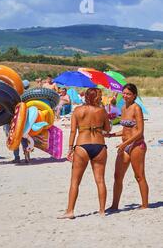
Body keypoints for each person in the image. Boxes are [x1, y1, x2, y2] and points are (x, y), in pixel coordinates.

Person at [58, 88, 111, 219]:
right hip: (99, 146)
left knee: (75, 181)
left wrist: (70, 149)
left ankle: (70, 211)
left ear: (86, 97)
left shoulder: (77, 111)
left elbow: (72, 132)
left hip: (82, 145)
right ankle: (102, 211)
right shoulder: (102, 111)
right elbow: (107, 130)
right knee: (100, 180)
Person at [106, 83, 149, 211]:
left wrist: (124, 143)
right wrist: (111, 135)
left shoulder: (137, 108)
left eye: (128, 94)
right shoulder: (123, 108)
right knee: (117, 176)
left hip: (137, 145)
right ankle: (114, 205)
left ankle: (145, 205)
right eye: (124, 93)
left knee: (139, 176)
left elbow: (140, 131)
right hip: (124, 146)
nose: (125, 96)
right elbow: (125, 130)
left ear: (134, 95)